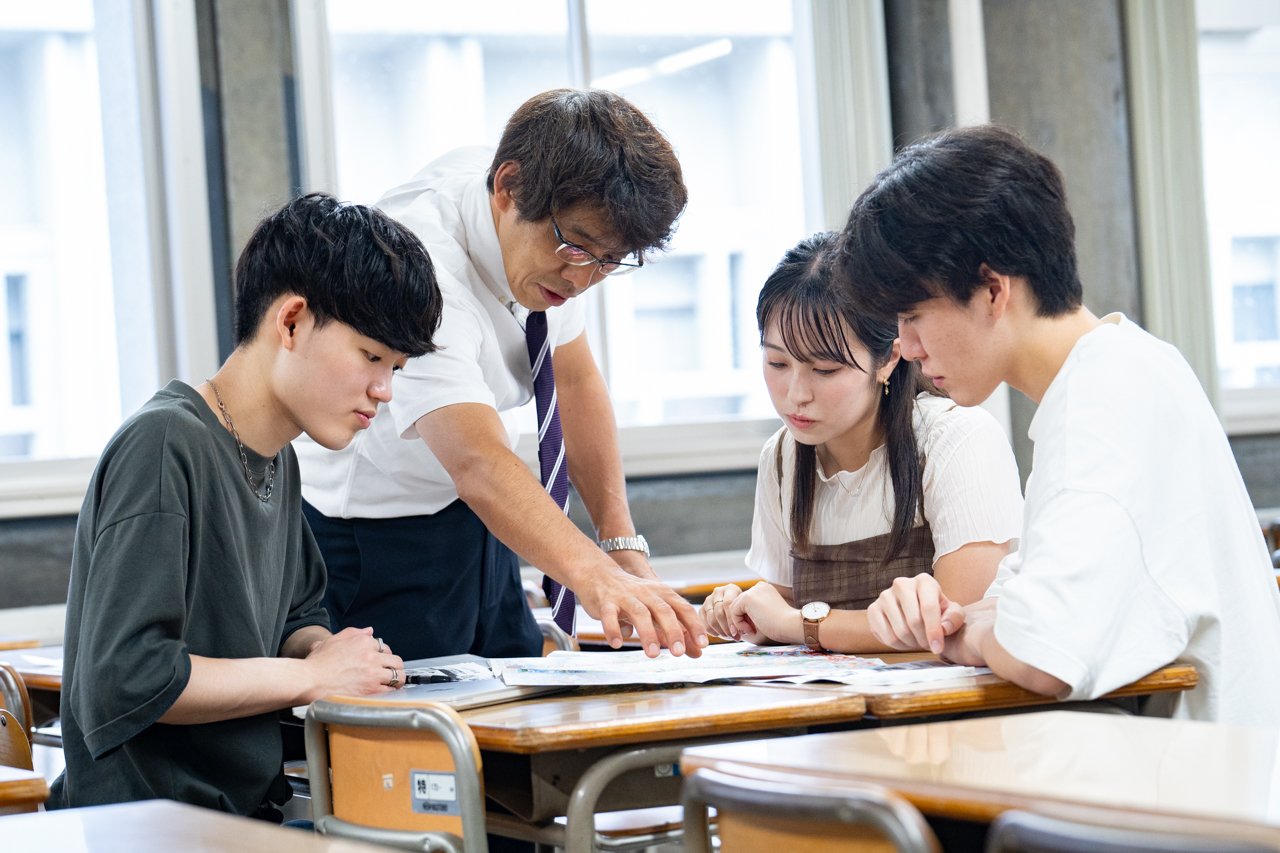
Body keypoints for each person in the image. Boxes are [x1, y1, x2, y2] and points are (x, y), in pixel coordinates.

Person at [843, 125, 1280, 724]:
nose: (907, 346)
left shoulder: (1099, 404)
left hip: (1196, 790)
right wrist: (954, 613)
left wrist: (956, 638)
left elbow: (1042, 648)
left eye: (914, 315)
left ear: (993, 290)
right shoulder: (1125, 363)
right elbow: (1017, 599)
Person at [47, 193, 444, 816]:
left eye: (394, 367)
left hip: (246, 811)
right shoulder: (163, 445)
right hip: (153, 823)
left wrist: (336, 656)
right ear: (290, 323)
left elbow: (295, 616)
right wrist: (312, 677)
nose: (384, 391)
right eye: (371, 356)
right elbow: (129, 677)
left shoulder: (277, 457)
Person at [296, 88, 706, 662]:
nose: (584, 279)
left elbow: (576, 382)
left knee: (522, 692)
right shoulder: (422, 268)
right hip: (375, 533)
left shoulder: (563, 238)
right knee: (421, 733)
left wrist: (619, 546)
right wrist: (594, 575)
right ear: (507, 188)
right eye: (578, 248)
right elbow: (476, 462)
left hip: (483, 514)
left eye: (611, 261)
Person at [699, 233, 1023, 652]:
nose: (796, 393)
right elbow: (783, 608)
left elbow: (955, 624)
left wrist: (799, 625)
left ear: (888, 359)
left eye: (826, 370)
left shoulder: (956, 440)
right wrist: (745, 612)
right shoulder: (782, 457)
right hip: (833, 707)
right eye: (777, 362)